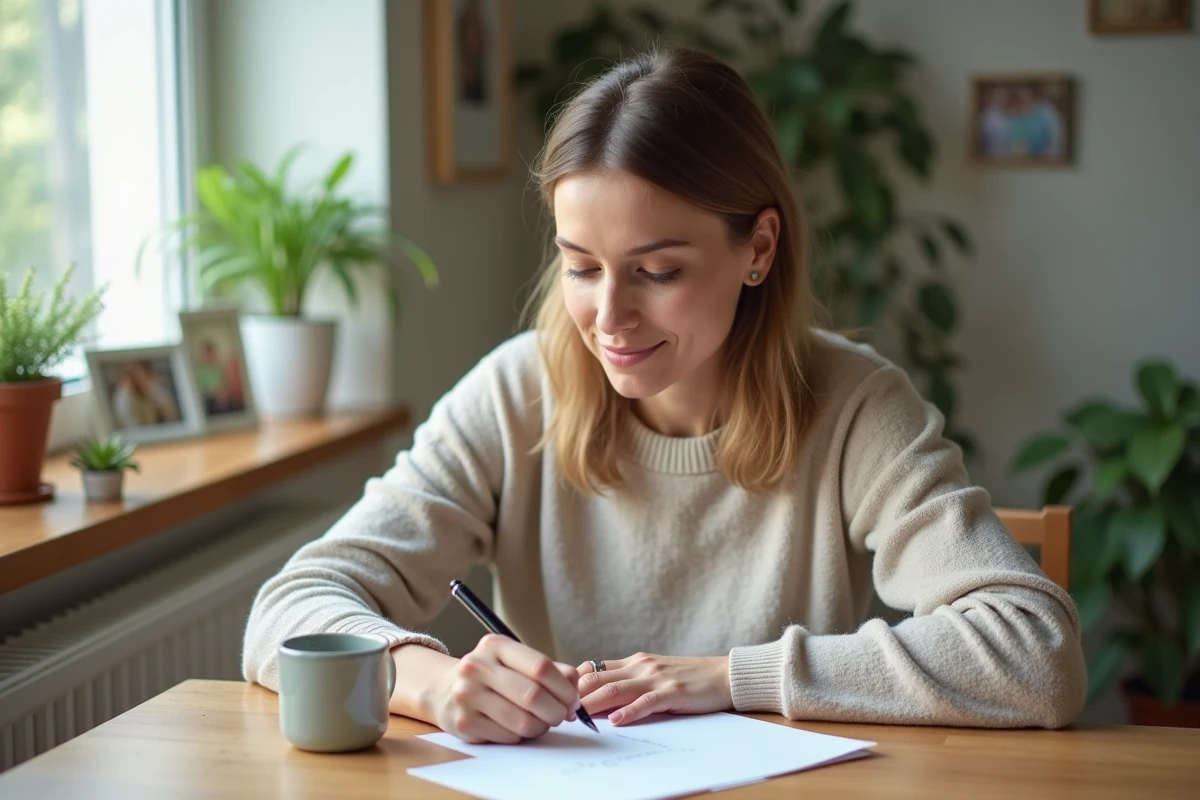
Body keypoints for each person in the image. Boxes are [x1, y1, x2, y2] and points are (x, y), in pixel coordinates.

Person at [243, 48, 1085, 744]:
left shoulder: (855, 406)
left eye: (658, 271)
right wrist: (425, 680)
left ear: (758, 248)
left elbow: (1035, 655)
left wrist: (731, 678)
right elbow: (287, 608)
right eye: (581, 267)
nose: (608, 317)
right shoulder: (516, 392)